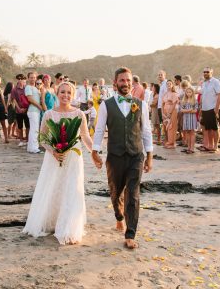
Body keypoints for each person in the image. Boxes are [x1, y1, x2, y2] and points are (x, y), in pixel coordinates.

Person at [22, 81, 94, 245]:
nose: (66, 95)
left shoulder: (79, 114)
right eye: (62, 92)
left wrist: (94, 152)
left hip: (73, 158)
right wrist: (54, 151)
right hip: (54, 157)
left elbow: (85, 136)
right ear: (57, 93)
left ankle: (69, 226)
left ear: (73, 94)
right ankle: (53, 222)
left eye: (69, 93)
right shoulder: (49, 114)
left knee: (72, 189)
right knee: (53, 187)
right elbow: (42, 138)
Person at [92, 67, 153, 250]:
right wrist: (95, 151)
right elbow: (100, 129)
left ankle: (130, 233)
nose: (125, 83)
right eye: (122, 80)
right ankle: (119, 217)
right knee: (115, 191)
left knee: (133, 194)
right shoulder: (106, 105)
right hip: (115, 155)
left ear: (132, 83)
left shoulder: (141, 104)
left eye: (128, 80)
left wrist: (149, 155)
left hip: (136, 155)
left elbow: (146, 131)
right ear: (115, 83)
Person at [199, 68, 220, 153]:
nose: (205, 73)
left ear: (211, 73)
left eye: (207, 72)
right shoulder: (204, 83)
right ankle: (210, 145)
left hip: (212, 108)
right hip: (205, 109)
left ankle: (216, 146)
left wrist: (216, 109)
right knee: (208, 128)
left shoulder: (215, 82)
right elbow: (203, 96)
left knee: (214, 128)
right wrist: (201, 109)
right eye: (204, 72)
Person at [25, 72, 43, 154]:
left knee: (34, 129)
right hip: (33, 111)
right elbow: (30, 99)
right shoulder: (28, 87)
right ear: (28, 78)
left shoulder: (35, 88)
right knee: (34, 130)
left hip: (36, 111)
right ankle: (34, 148)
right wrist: (39, 106)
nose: (33, 79)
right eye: (31, 77)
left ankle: (30, 147)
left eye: (34, 77)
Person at [11, 74, 29, 147]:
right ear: (17, 80)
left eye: (22, 79)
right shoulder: (14, 89)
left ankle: (27, 139)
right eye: (19, 79)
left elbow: (29, 99)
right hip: (18, 110)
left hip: (27, 110)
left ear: (24, 79)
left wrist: (26, 108)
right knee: (20, 126)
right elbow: (14, 100)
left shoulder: (27, 88)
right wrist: (18, 108)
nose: (20, 80)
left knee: (28, 126)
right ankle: (21, 140)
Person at [162, 80, 180, 149]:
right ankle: (169, 141)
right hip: (166, 111)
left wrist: (170, 113)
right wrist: (163, 113)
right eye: (167, 84)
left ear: (172, 85)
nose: (168, 85)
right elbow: (162, 103)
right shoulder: (165, 93)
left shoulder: (174, 94)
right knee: (167, 126)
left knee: (172, 126)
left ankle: (172, 143)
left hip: (172, 111)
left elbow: (174, 104)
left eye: (170, 84)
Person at [180, 86, 198, 154]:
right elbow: (181, 110)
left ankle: (192, 148)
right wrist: (189, 110)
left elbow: (195, 111)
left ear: (192, 93)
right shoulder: (184, 101)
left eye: (190, 92)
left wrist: (186, 111)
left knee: (192, 133)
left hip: (192, 119)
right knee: (187, 133)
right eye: (187, 92)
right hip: (186, 119)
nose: (188, 93)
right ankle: (188, 147)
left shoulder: (194, 101)